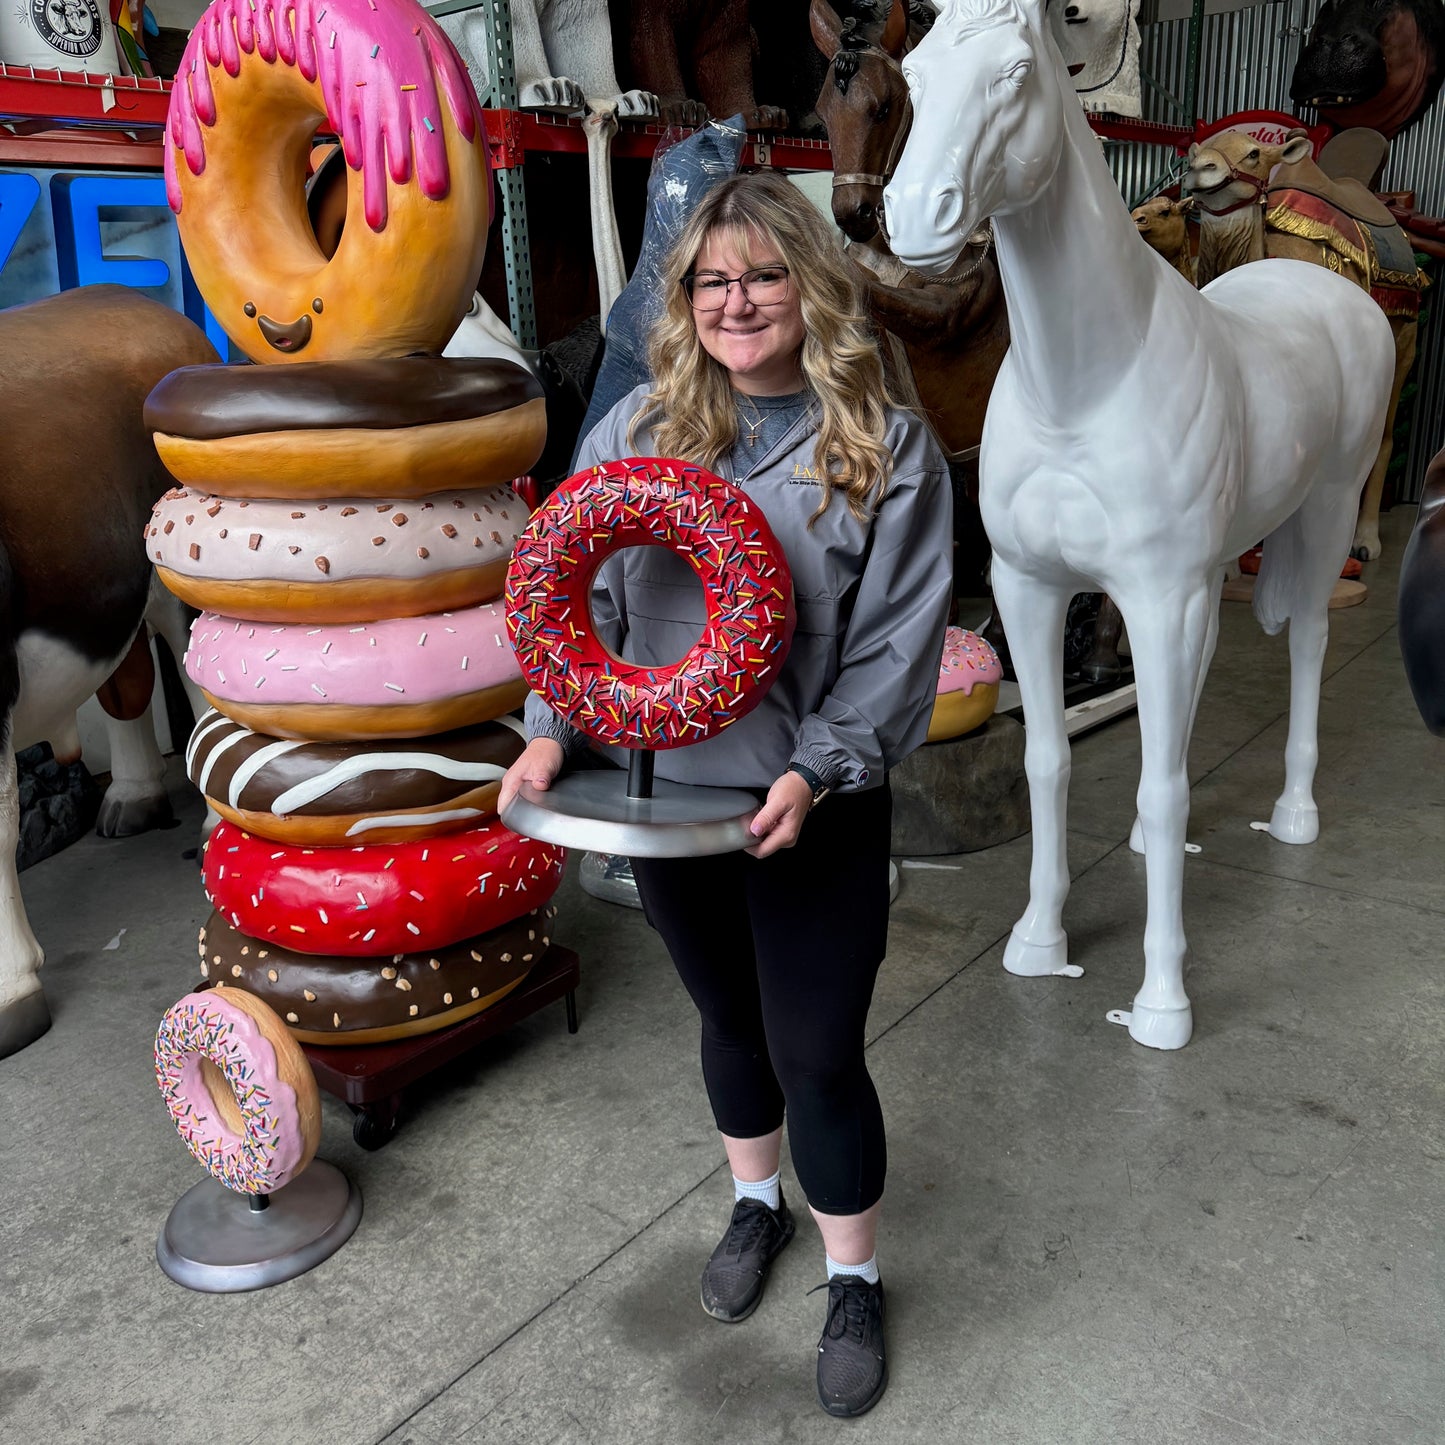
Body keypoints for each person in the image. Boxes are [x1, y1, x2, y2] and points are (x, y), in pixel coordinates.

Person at [499, 171, 952, 1419]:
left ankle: (853, 1274)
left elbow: (895, 641)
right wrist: (547, 734)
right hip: (662, 795)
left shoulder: (885, 446)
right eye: (711, 279)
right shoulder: (637, 429)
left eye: (762, 275)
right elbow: (571, 600)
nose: (737, 301)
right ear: (683, 297)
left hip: (809, 796)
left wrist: (820, 765)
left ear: (809, 286)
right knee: (727, 1021)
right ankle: (756, 1207)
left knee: (814, 1047)